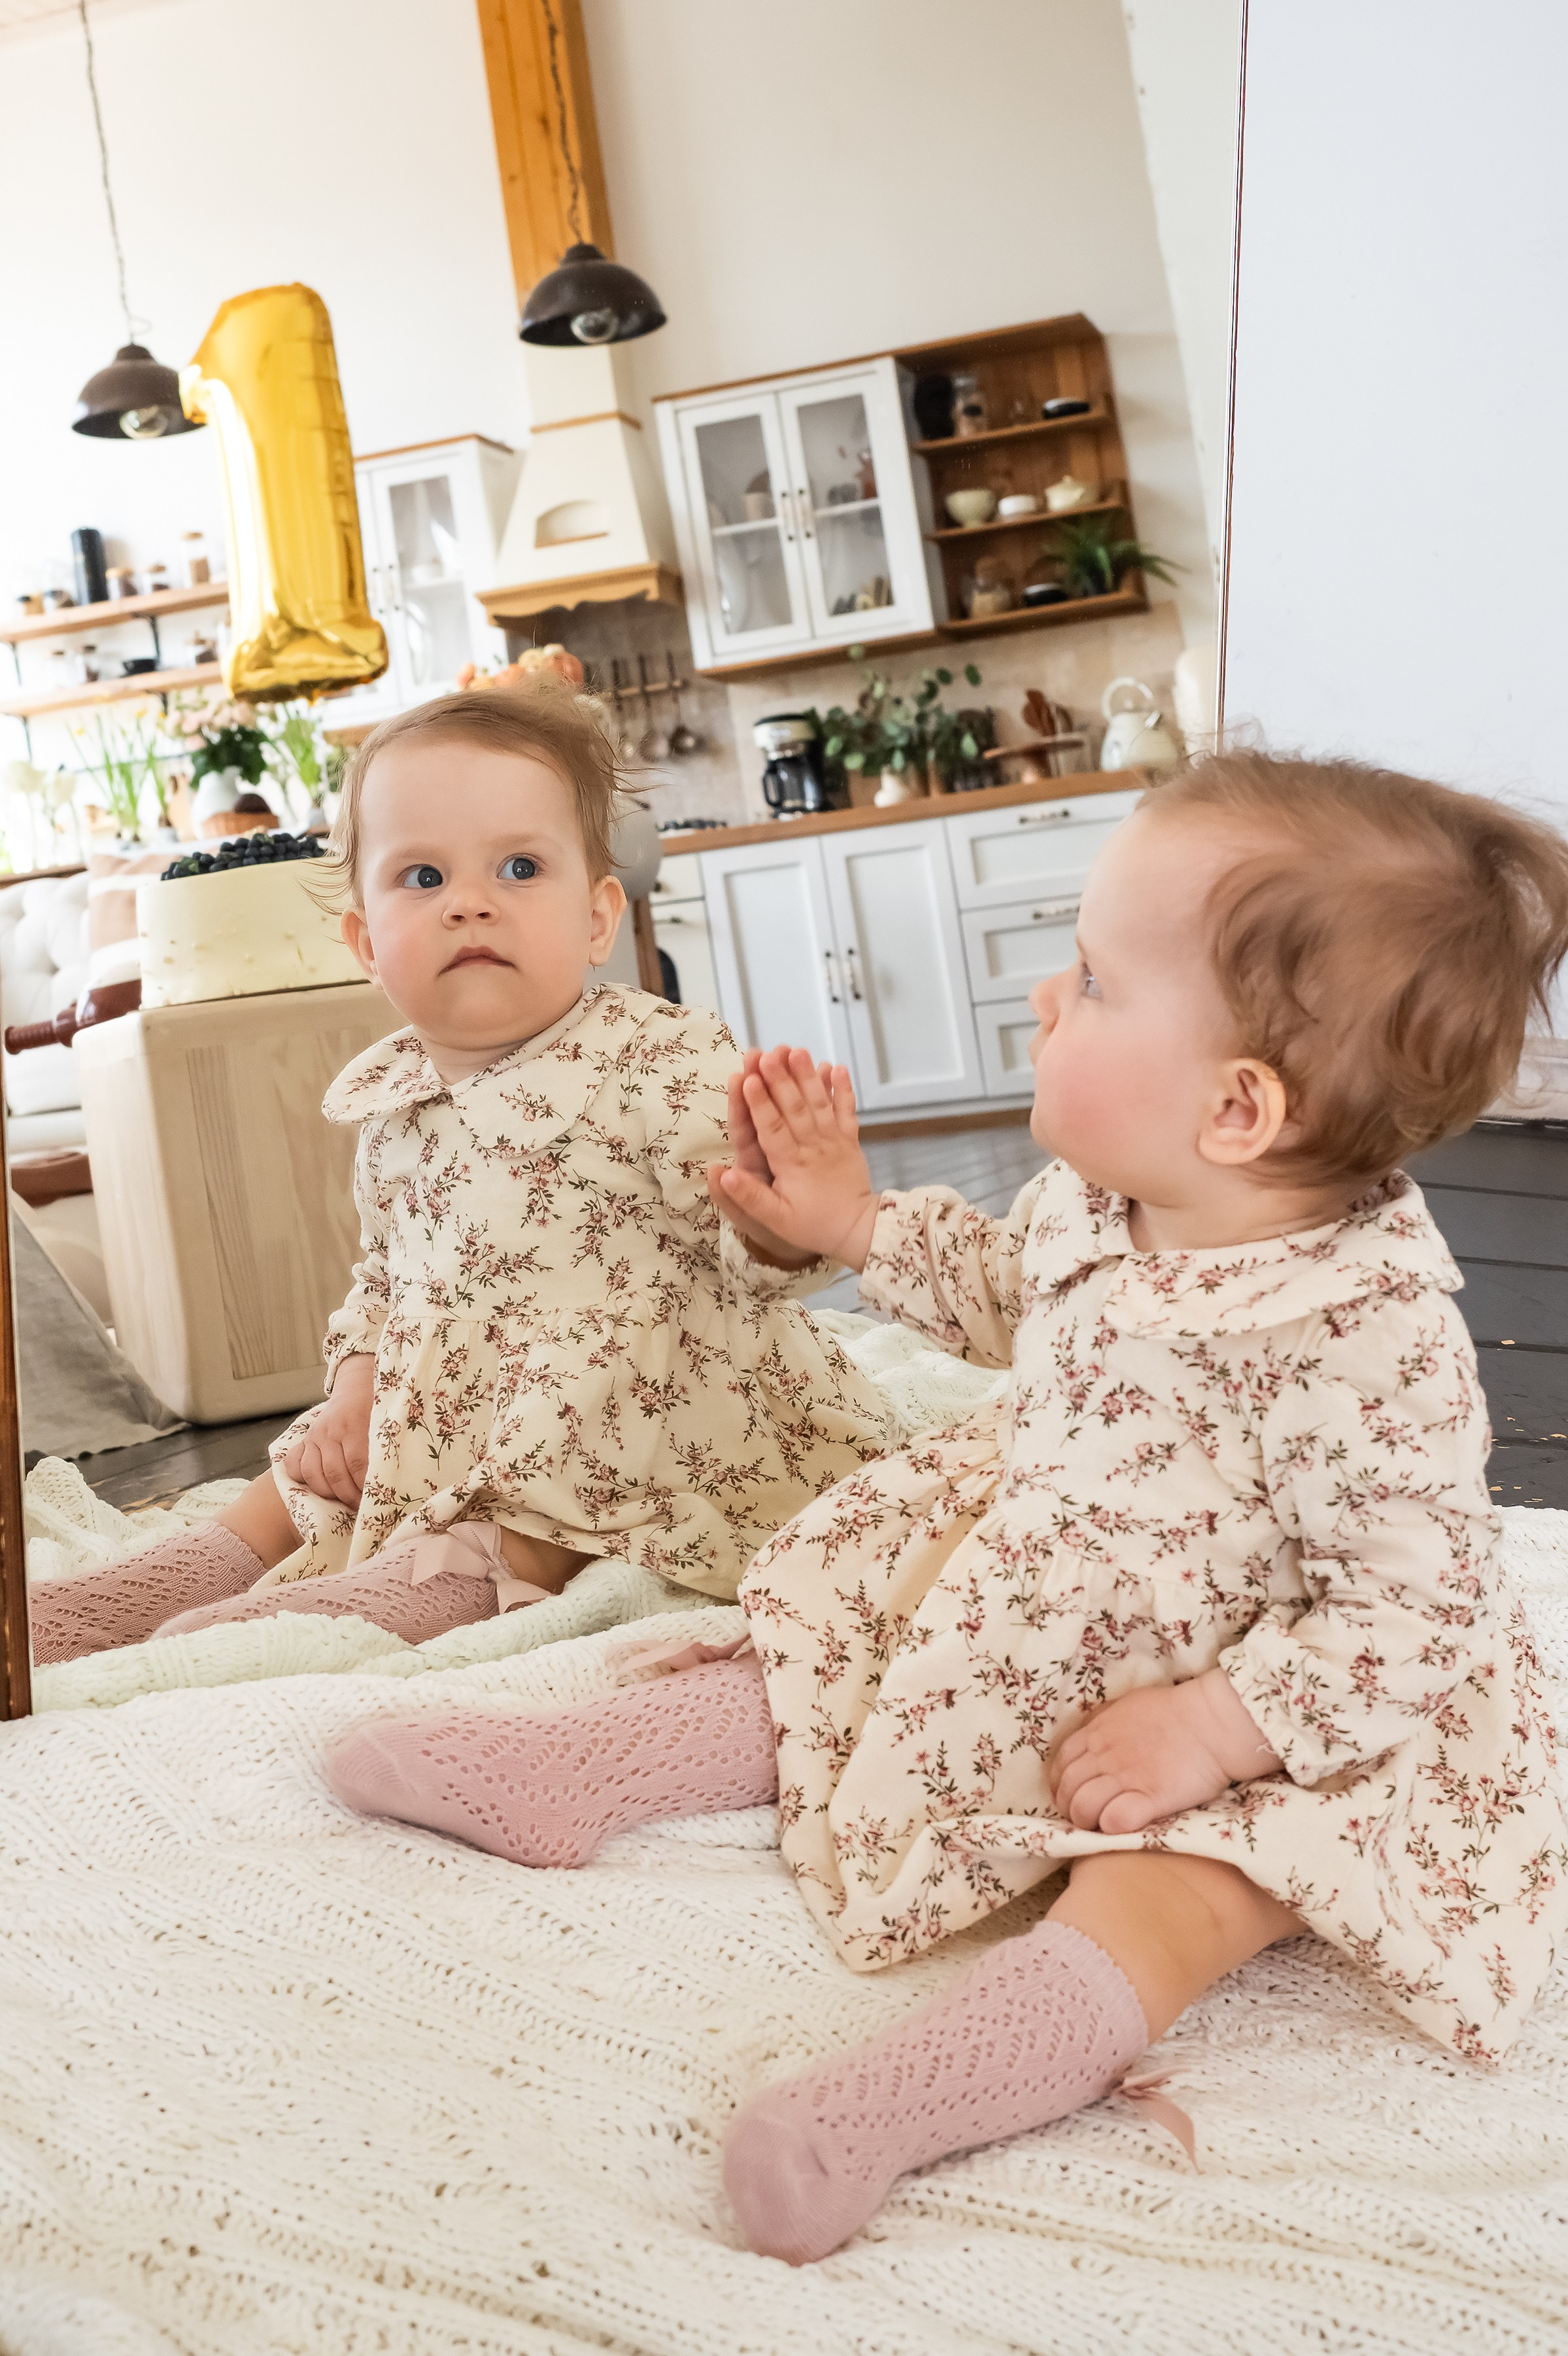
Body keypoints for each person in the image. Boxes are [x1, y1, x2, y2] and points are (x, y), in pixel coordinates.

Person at [326, 750, 1568, 2264]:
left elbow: (1413, 1611)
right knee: (856, 1620)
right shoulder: (1103, 1198)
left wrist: (1216, 1728)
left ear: (1236, 1107)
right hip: (1075, 1587)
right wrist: (846, 1220)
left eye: (1097, 983)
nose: (1047, 999)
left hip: (1278, 1689)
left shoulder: (1363, 1331)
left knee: (1193, 1881)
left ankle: (914, 2094)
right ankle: (585, 1769)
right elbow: (1001, 1296)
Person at [33, 686, 888, 1665]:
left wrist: (793, 1199)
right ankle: (196, 1564)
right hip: (462, 1394)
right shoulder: (391, 1103)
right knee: (313, 1461)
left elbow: (755, 1245)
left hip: (641, 1402)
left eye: (520, 868)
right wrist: (356, 1393)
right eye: (423, 876)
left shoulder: (659, 1057)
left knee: (547, 1474)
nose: (470, 901)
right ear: (365, 943)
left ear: (598, 917)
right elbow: (385, 1282)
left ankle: (434, 1582)